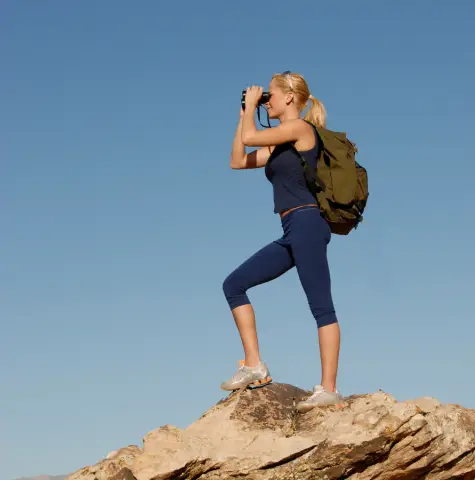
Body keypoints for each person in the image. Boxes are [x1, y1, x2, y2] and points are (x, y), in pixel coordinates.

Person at [221, 71, 343, 412]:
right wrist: (242, 113)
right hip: (291, 229)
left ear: (290, 97)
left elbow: (251, 134)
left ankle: (329, 388)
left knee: (321, 307)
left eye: (270, 95)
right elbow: (236, 159)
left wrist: (249, 114)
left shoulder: (301, 130)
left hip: (307, 222)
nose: (267, 101)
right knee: (234, 284)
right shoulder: (277, 143)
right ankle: (254, 364)